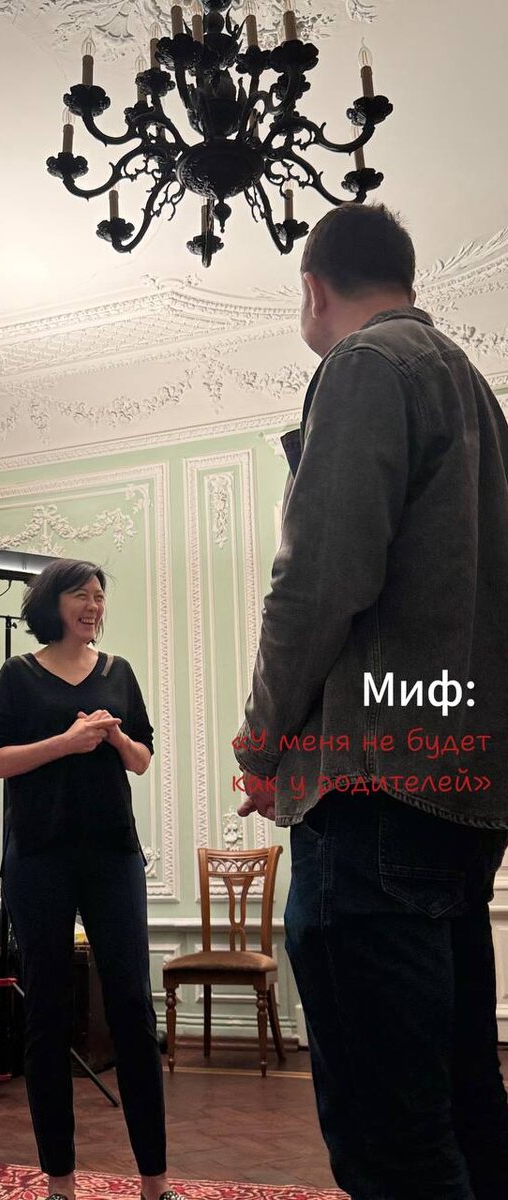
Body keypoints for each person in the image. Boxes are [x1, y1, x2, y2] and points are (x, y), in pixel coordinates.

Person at [233, 203, 508, 1199]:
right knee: (464, 1105)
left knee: (388, 1135)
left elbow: (314, 584)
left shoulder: (363, 365)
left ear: (313, 289)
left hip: (371, 791)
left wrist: (261, 742)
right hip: (459, 793)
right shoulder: (475, 393)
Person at [0, 558, 184, 1200]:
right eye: (82, 596)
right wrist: (64, 743)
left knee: (133, 1010)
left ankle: (155, 1184)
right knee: (46, 1012)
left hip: (112, 855)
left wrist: (115, 739)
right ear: (52, 603)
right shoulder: (18, 674)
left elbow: (142, 758)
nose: (94, 607)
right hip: (39, 858)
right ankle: (60, 1184)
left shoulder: (118, 672)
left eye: (100, 596)